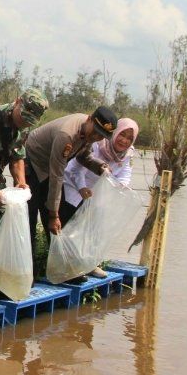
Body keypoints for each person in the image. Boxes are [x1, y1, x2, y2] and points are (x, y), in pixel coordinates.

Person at [0, 89, 49, 299]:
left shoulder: (22, 128)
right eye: (24, 117)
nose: (25, 123)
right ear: (16, 103)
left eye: (30, 121)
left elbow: (17, 158)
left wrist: (21, 181)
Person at [23, 106, 118, 263]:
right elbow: (57, 175)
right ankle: (28, 269)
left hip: (51, 166)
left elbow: (83, 156)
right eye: (95, 132)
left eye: (100, 136)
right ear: (89, 119)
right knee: (31, 216)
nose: (95, 137)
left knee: (55, 218)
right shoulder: (67, 135)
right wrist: (54, 215)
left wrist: (100, 167)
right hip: (33, 162)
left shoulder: (87, 133)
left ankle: (61, 266)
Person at [60, 117, 138, 277]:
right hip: (74, 186)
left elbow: (125, 173)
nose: (124, 141)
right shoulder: (98, 144)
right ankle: (68, 268)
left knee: (92, 228)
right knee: (71, 226)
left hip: (96, 192)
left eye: (129, 138)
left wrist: (123, 187)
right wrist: (81, 187)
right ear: (115, 132)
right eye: (122, 135)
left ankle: (89, 264)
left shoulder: (128, 154)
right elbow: (75, 168)